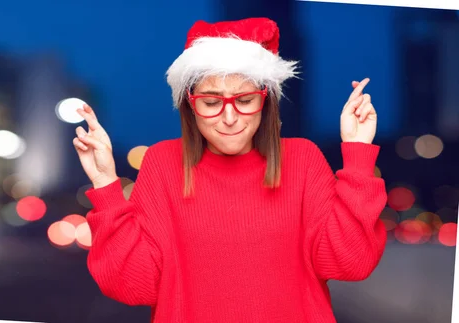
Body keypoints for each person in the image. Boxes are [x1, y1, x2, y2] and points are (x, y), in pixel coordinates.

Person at [72, 17, 387, 323]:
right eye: (211, 103)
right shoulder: (162, 163)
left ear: (265, 102)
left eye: (245, 99)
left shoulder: (303, 159)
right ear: (190, 105)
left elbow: (352, 263)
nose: (230, 118)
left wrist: (357, 154)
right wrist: (105, 183)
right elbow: (133, 285)